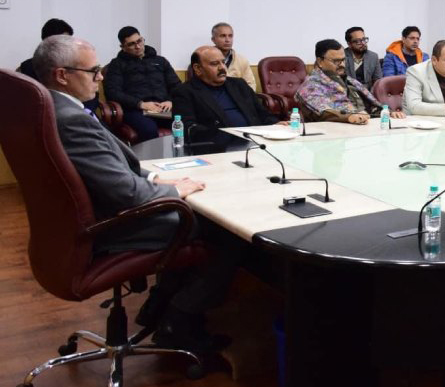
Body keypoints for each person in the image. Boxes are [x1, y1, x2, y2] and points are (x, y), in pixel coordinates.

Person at [33, 35, 233, 353]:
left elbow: (112, 165)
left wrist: (154, 175)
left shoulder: (52, 109)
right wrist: (172, 190)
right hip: (108, 226)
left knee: (197, 218)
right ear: (62, 75)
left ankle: (157, 306)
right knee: (220, 230)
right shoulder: (71, 120)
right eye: (93, 71)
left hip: (79, 221)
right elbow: (126, 193)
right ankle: (178, 322)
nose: (100, 77)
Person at [172, 46, 285, 138]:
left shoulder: (239, 85)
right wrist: (222, 135)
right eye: (214, 64)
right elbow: (187, 127)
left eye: (223, 62)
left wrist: (275, 124)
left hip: (254, 139)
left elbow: (261, 113)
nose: (222, 68)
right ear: (197, 69)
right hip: (217, 147)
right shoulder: (185, 92)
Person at [296, 39, 405, 125]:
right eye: (336, 61)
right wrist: (349, 117)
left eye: (343, 60)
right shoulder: (310, 86)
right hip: (332, 136)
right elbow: (324, 113)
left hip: (365, 130)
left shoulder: (350, 81)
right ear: (320, 61)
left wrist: (388, 113)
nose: (342, 65)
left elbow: (372, 107)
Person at [103, 26, 181, 142]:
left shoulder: (160, 61)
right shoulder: (117, 65)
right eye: (131, 44)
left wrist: (170, 100)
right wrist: (140, 104)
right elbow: (113, 92)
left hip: (164, 108)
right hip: (136, 110)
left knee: (187, 122)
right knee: (148, 129)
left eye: (139, 41)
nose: (138, 46)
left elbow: (177, 85)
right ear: (123, 47)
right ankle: (152, 160)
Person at [210, 22, 256, 90]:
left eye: (230, 36)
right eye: (223, 36)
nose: (227, 40)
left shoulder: (242, 60)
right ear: (213, 40)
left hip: (238, 99)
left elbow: (250, 84)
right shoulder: (206, 59)